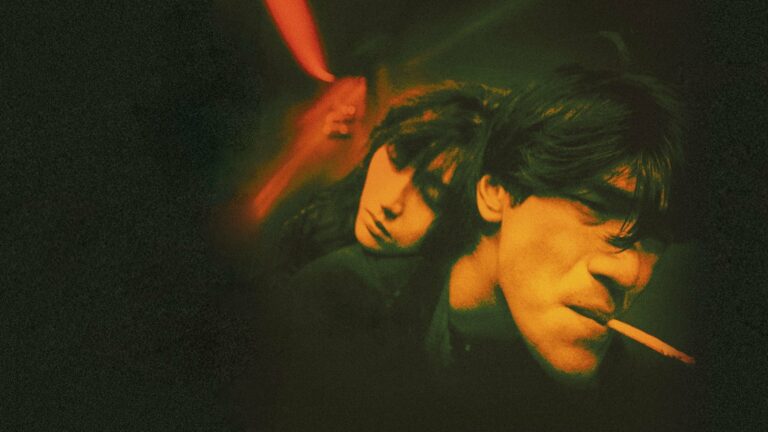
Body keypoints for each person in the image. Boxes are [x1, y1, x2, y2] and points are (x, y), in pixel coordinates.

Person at [418, 67, 701, 431]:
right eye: (594, 206)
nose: (630, 273)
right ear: (496, 193)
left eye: (655, 237)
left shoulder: (626, 403)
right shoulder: (365, 305)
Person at [269, 82, 507, 431]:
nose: (392, 202)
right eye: (397, 159)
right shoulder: (322, 213)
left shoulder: (404, 308)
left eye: (432, 194)